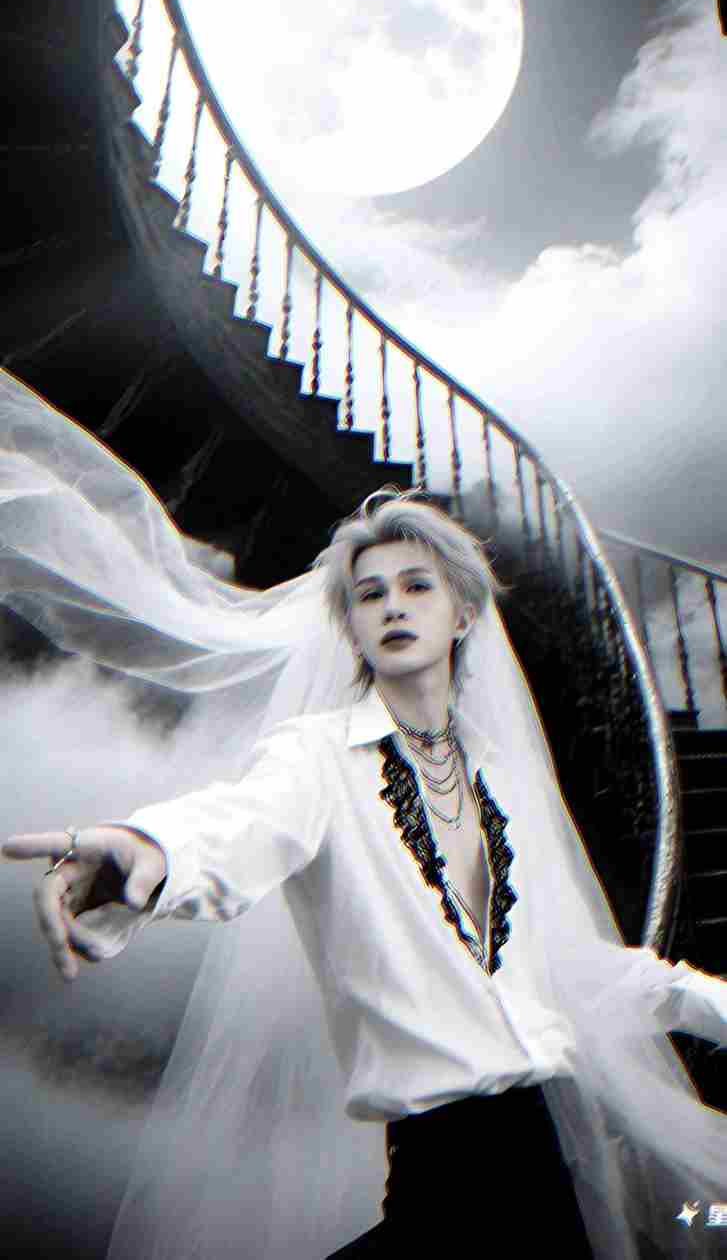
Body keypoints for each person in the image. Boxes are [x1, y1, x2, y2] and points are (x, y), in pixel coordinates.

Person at [3, 368, 727, 1260]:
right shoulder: (319, 756)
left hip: (550, 1169)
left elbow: (575, 970)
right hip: (439, 1172)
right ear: (347, 624)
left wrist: (706, 1003)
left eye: (416, 586)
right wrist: (142, 848)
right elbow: (241, 823)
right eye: (368, 593)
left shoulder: (499, 777)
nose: (390, 606)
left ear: (462, 612)